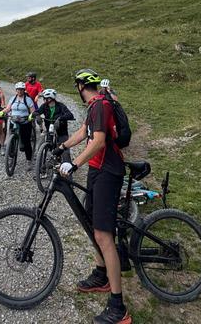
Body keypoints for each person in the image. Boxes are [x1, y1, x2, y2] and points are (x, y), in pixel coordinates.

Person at [55, 69, 130, 324]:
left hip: (108, 171)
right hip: (97, 170)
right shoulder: (93, 106)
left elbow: (98, 142)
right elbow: (84, 133)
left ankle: (118, 308)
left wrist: (73, 164)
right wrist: (63, 146)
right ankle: (101, 274)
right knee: (93, 224)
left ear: (79, 86)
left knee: (103, 234)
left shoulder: (100, 106)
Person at [0, 81, 37, 169]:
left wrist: (31, 116)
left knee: (26, 142)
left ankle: (29, 160)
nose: (19, 91)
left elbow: (33, 111)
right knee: (11, 141)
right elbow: (8, 108)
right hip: (13, 121)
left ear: (24, 90)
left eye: (21, 90)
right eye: (18, 90)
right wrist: (2, 112)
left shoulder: (28, 99)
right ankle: (10, 157)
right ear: (16, 90)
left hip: (25, 122)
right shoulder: (13, 98)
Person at [35, 88, 75, 163]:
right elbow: (37, 112)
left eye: (45, 98)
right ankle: (41, 162)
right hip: (49, 130)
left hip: (61, 132)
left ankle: (68, 171)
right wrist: (37, 115)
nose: (44, 100)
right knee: (41, 146)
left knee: (65, 151)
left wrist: (60, 119)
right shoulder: (44, 106)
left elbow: (70, 115)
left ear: (50, 98)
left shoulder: (61, 106)